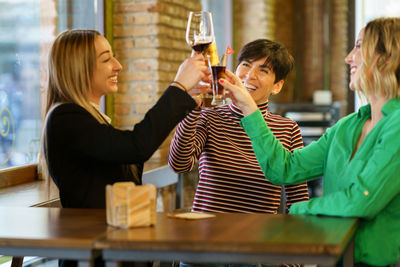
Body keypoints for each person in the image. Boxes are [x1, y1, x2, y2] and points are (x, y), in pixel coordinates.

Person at [221, 17, 400, 267]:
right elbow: (283, 168)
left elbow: (362, 200)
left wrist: (298, 211)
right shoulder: (347, 126)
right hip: (333, 259)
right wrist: (250, 108)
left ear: (388, 57)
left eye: (359, 46)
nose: (349, 57)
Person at [39, 29, 209, 211]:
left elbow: (126, 154)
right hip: (91, 235)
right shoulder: (65, 118)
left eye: (114, 57)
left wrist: (184, 95)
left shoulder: (87, 117)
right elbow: (137, 146)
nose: (118, 65)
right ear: (78, 68)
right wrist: (178, 87)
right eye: (106, 59)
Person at [169, 39, 309, 215]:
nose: (249, 75)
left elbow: (298, 198)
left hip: (259, 237)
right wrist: (192, 107)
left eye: (263, 70)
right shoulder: (209, 117)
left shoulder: (288, 129)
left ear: (277, 86)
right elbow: (179, 165)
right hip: (207, 233)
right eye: (245, 65)